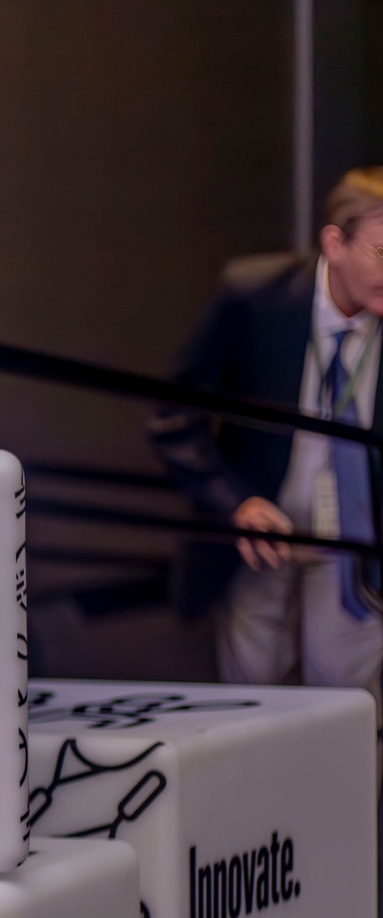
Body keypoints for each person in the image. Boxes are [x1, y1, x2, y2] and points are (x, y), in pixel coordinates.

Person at [152, 168, 383, 707]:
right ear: (335, 242)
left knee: (355, 713)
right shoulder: (256, 295)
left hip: (360, 549)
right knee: (254, 707)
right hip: (264, 535)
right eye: (381, 251)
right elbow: (174, 418)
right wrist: (236, 504)